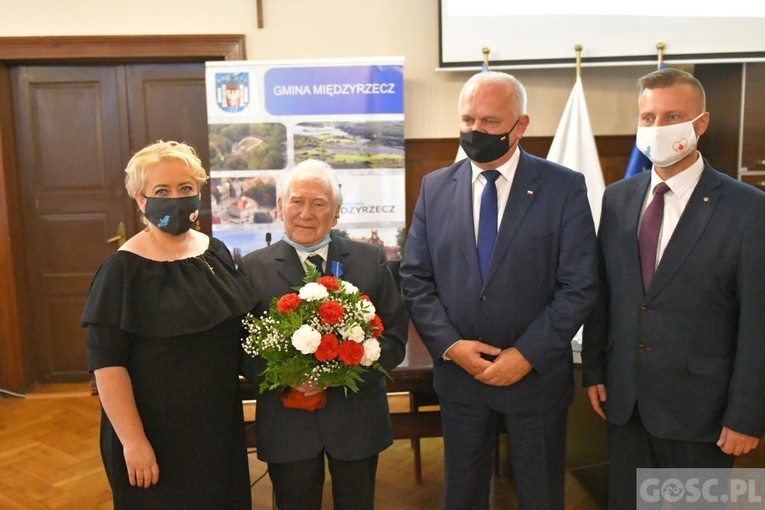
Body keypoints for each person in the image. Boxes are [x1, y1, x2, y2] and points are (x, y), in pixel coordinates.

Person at [400, 71, 599, 509]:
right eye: (468, 119)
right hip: (461, 379)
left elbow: (579, 284)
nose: (476, 131)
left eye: (490, 121)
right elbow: (416, 278)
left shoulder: (563, 187)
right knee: (463, 495)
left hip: (536, 380)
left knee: (540, 496)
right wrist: (452, 346)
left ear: (520, 125)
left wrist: (525, 355)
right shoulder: (435, 187)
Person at [582, 68, 765, 509]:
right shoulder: (619, 197)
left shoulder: (748, 209)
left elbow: (758, 322)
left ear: (700, 123)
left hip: (702, 411)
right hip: (625, 403)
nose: (657, 128)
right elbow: (605, 293)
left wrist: (747, 416)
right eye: (647, 118)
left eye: (671, 116)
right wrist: (593, 370)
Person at [81, 141, 259, 509]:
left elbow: (241, 335)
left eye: (185, 189)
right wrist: (133, 442)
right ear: (140, 199)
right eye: (162, 191)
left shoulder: (216, 252)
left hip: (217, 428)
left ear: (198, 193)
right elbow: (108, 365)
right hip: (153, 436)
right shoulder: (122, 270)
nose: (175, 199)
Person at [240, 159, 408, 510]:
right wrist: (290, 378)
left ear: (335, 214)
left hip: (357, 421)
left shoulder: (370, 260)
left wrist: (340, 373)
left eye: (319, 204)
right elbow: (240, 348)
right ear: (281, 207)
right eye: (297, 201)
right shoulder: (251, 268)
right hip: (288, 425)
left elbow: (394, 337)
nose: (306, 212)